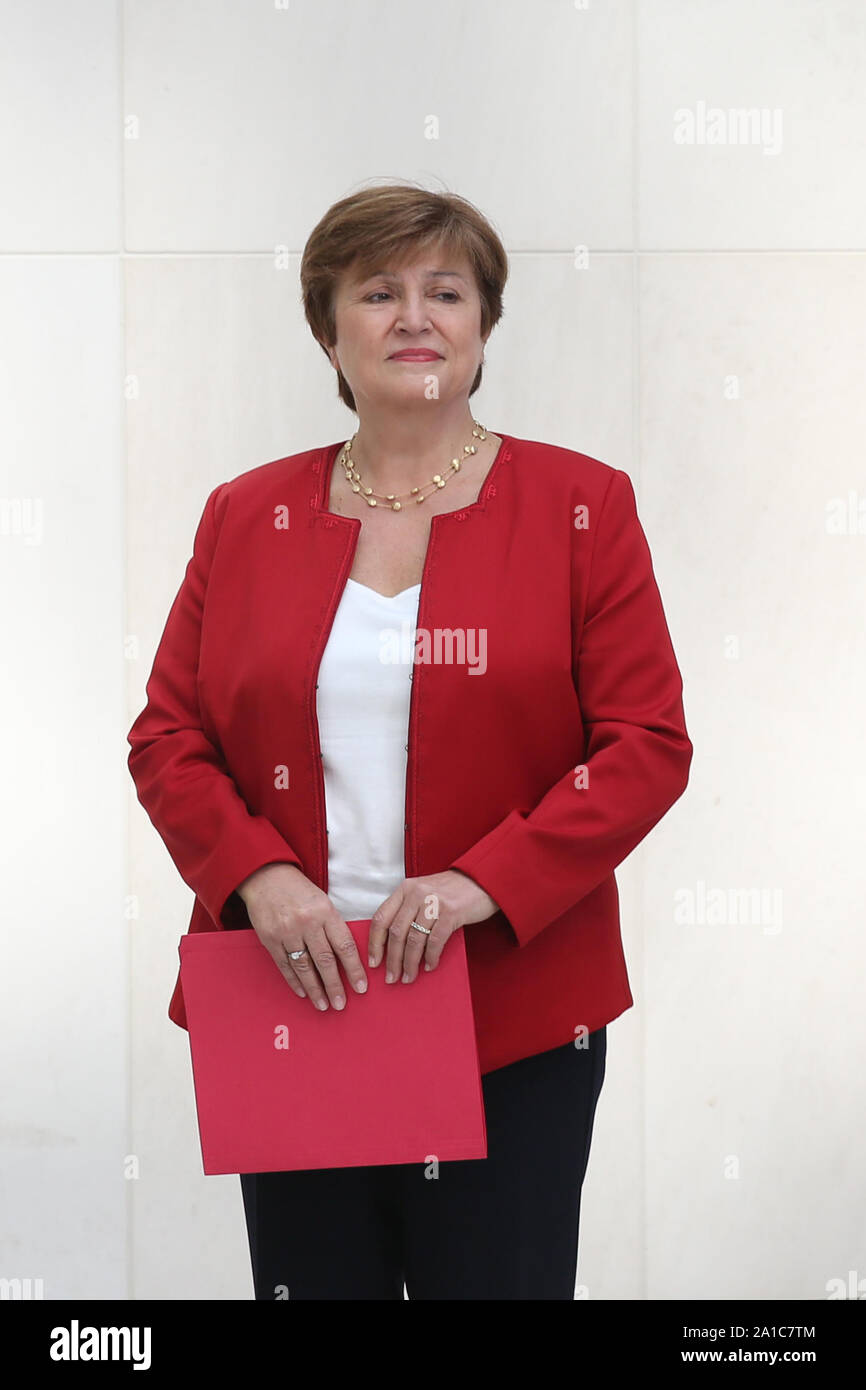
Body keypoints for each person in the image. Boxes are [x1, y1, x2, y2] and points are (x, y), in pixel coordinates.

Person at [127, 181, 693, 1300]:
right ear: (327, 330)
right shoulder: (246, 513)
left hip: (510, 1008)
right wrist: (258, 877)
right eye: (377, 291)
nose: (414, 317)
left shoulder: (583, 505)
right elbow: (167, 735)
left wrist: (481, 883)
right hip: (294, 992)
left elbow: (644, 743)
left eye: (446, 291)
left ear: (483, 325)